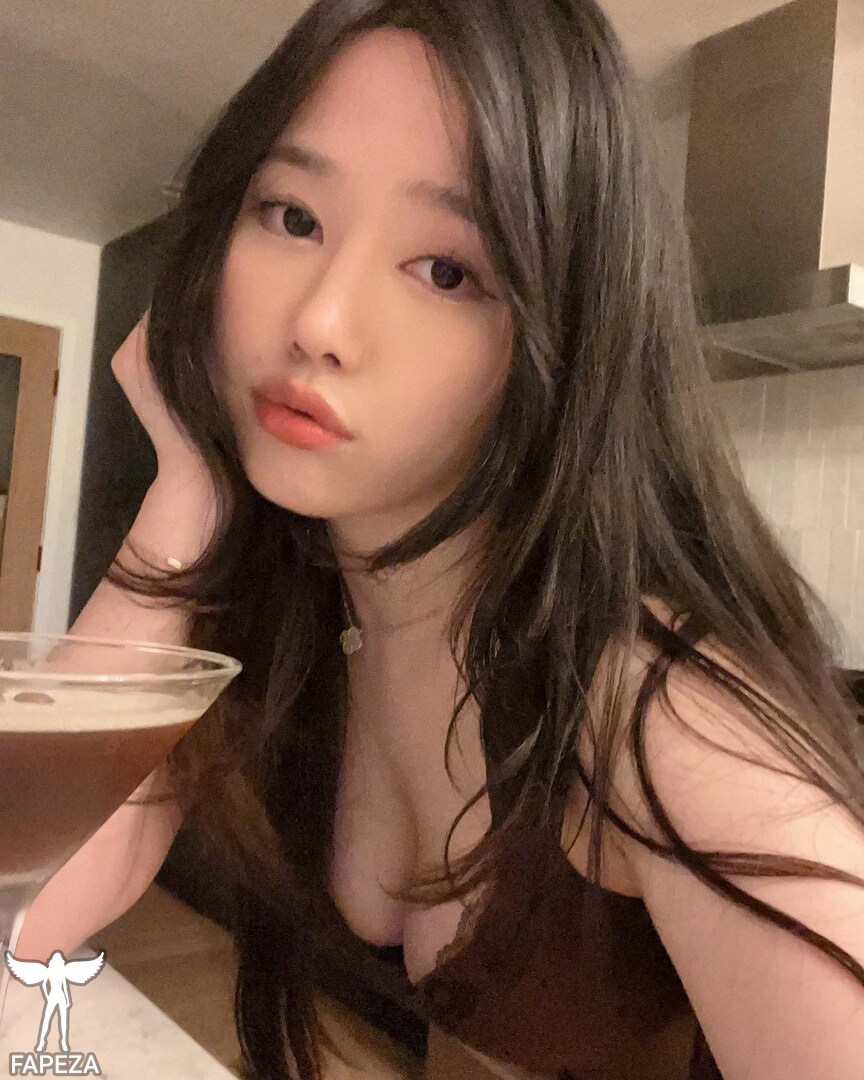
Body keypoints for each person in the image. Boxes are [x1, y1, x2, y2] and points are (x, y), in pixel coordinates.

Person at [16, 1, 864, 1078]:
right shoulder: (298, 604)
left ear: (568, 336)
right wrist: (187, 494)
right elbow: (25, 902)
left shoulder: (655, 701)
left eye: (448, 271)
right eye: (292, 215)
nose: (319, 322)